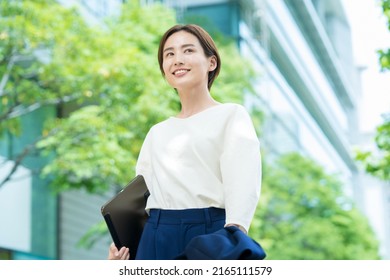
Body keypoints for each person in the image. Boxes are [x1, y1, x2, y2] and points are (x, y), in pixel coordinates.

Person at [108, 24, 261, 260]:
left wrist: (234, 240)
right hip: (155, 235)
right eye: (169, 54)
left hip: (210, 234)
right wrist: (125, 250)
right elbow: (139, 201)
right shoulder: (156, 132)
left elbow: (243, 185)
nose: (177, 59)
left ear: (212, 62)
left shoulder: (231, 115)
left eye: (188, 51)